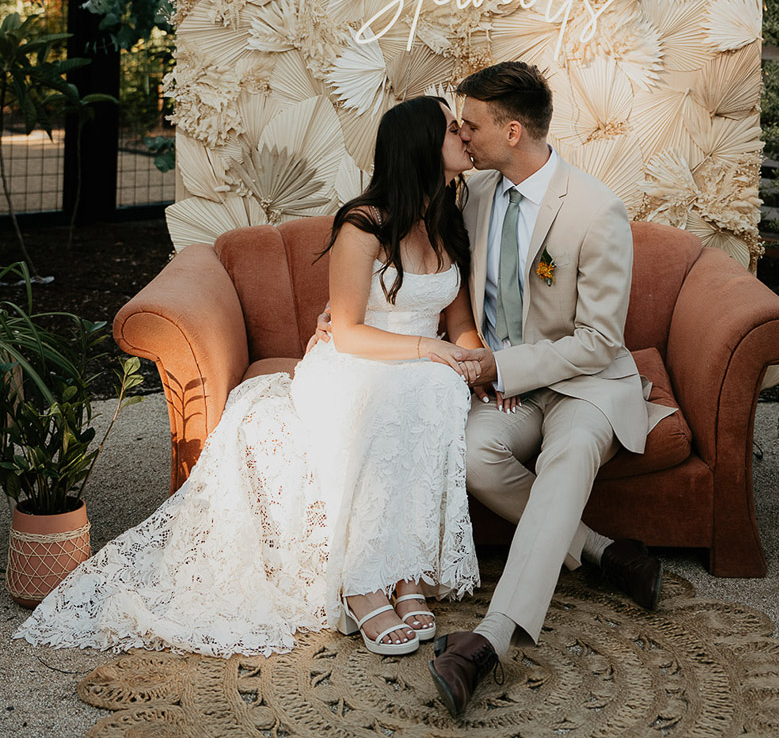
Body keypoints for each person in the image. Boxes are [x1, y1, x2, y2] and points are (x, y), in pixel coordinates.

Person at [16, 96, 485, 658]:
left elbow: (460, 323)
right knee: (407, 391)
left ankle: (406, 574)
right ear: (420, 145)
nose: (464, 133)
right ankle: (360, 584)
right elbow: (349, 331)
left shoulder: (447, 220)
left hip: (419, 364)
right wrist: (428, 350)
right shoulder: (363, 225)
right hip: (354, 363)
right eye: (453, 126)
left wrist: (475, 363)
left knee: (436, 390)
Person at [428, 61, 673, 717]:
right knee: (474, 456)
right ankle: (602, 551)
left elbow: (597, 340)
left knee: (568, 456)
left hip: (585, 383)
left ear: (512, 130)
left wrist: (501, 370)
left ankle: (487, 639)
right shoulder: (474, 194)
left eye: (470, 123)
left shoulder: (596, 209)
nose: (461, 133)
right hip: (509, 389)